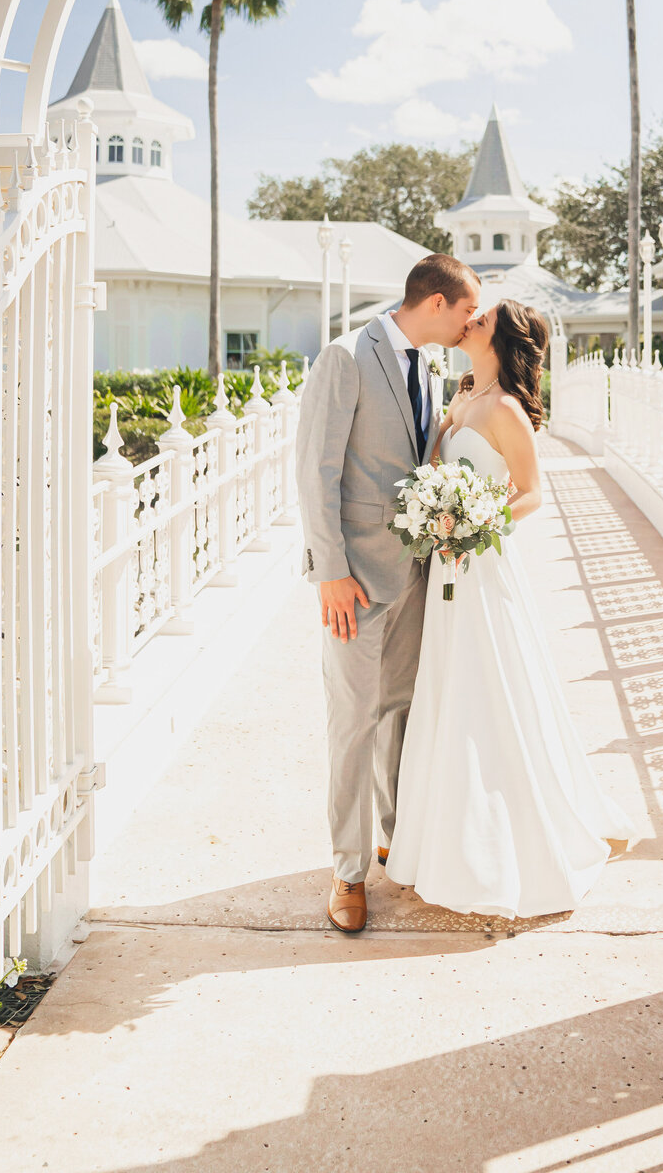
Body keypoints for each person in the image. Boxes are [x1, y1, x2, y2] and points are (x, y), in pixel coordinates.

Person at [385, 299, 632, 919]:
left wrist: (471, 521)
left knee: (486, 692)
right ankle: (440, 836)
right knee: (444, 691)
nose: (469, 321)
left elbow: (532, 494)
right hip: (444, 563)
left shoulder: (505, 410)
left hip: (480, 567)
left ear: (501, 337)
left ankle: (503, 843)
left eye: (482, 318)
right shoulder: (464, 390)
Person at [296, 252, 481, 934]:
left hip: (416, 576)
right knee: (352, 723)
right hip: (354, 580)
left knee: (400, 712)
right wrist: (329, 571)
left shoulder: (429, 370)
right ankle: (347, 873)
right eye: (466, 311)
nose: (471, 323)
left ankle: (396, 842)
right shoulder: (345, 359)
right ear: (436, 303)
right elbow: (315, 473)